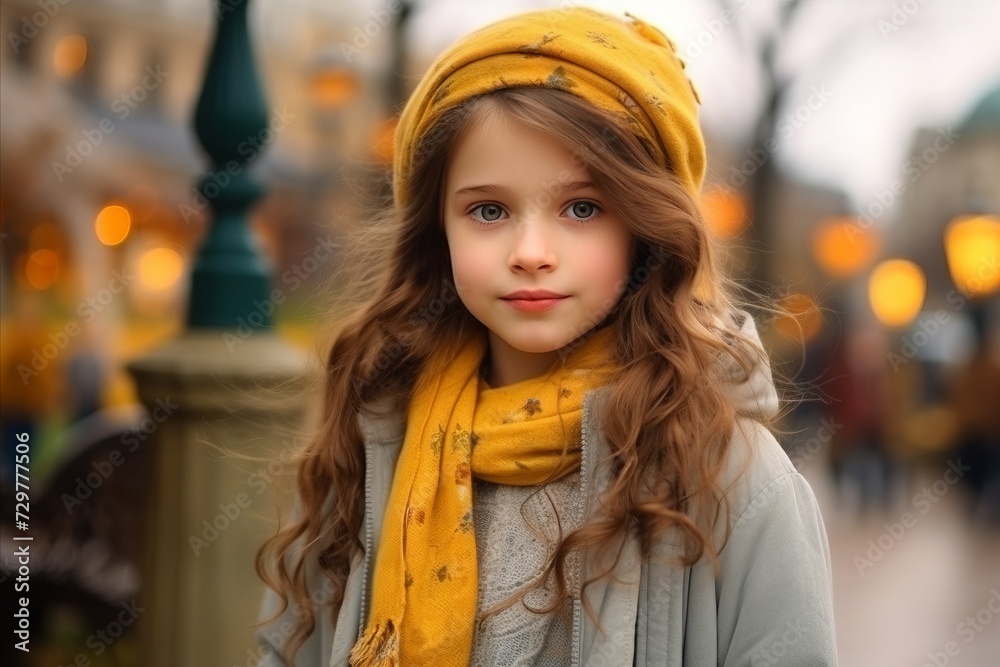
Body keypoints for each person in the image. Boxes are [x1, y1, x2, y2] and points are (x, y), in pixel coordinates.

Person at [254, 7, 837, 666]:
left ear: (644, 226)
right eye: (489, 210)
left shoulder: (734, 479)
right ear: (438, 231)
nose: (531, 251)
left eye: (582, 208)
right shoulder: (371, 440)